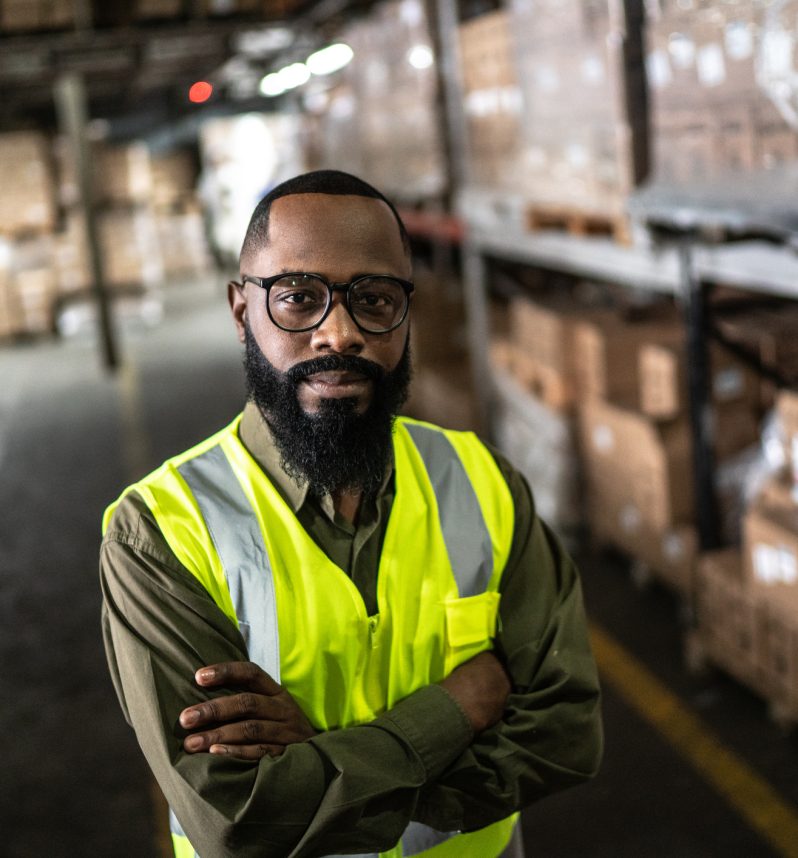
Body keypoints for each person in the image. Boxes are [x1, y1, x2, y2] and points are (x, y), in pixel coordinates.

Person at [100, 169, 602, 858]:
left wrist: (322, 773)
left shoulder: (482, 482)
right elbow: (239, 817)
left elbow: (565, 732)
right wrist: (459, 707)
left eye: (373, 298)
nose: (339, 333)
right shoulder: (160, 535)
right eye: (298, 298)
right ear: (241, 311)